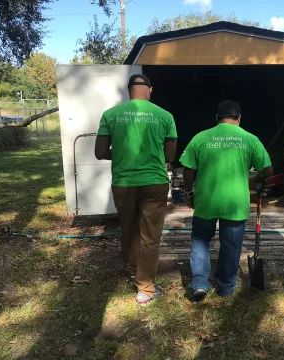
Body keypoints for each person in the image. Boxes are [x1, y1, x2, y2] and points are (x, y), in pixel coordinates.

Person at [95, 74, 177, 306]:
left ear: (129, 90)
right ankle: (146, 288)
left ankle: (132, 269)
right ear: (149, 90)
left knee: (128, 228)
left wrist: (122, 154)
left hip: (123, 183)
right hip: (154, 182)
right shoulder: (165, 116)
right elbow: (170, 155)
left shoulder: (111, 115)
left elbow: (100, 152)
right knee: (150, 236)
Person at [180, 100, 273, 301]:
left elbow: (188, 169)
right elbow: (268, 169)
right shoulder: (250, 139)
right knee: (231, 245)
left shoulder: (201, 137)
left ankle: (200, 283)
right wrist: (255, 179)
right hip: (236, 203)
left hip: (206, 200)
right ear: (239, 118)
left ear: (217, 118)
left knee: (201, 240)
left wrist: (189, 192)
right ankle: (226, 287)